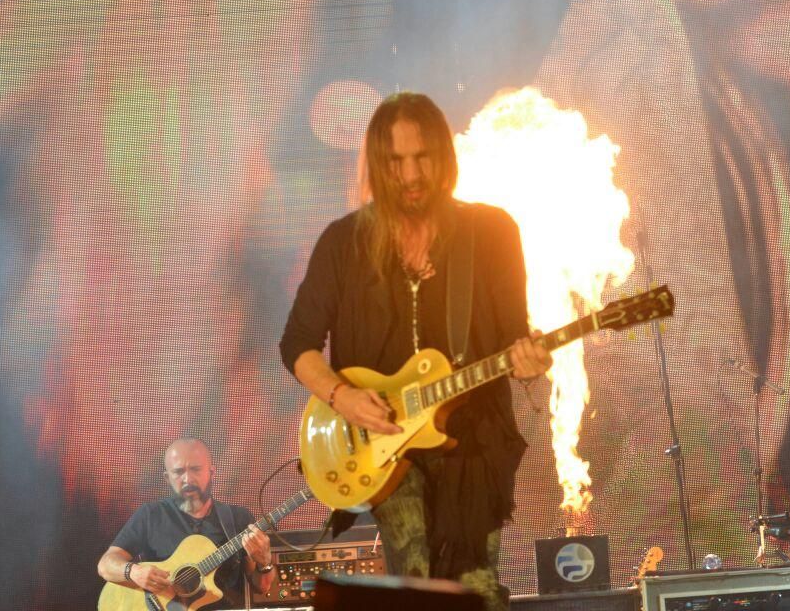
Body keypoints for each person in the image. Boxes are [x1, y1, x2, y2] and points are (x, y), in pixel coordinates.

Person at [279, 92, 553, 611]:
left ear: (443, 156)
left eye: (422, 157)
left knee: (476, 590)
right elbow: (297, 344)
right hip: (384, 448)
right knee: (417, 580)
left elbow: (514, 337)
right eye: (396, 161)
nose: (411, 174)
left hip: (473, 443)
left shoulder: (491, 231)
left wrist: (529, 362)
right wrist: (341, 396)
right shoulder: (343, 242)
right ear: (376, 166)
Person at [97, 438, 275, 609]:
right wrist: (134, 572)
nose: (188, 479)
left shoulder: (238, 519)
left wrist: (264, 563)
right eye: (178, 472)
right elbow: (105, 565)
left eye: (196, 469)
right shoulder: (150, 514)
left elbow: (262, 587)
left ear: (212, 472)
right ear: (167, 478)